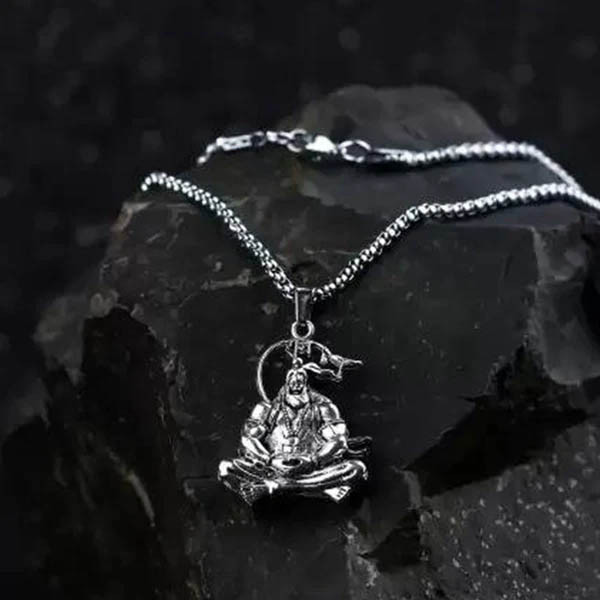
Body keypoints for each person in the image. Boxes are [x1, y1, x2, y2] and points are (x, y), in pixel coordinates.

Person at [219, 363, 368, 504]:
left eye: (300, 381)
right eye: (292, 380)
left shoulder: (323, 408)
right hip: (271, 468)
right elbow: (248, 439)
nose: (296, 385)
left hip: (311, 469)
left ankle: (275, 487)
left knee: (357, 469)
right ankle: (315, 488)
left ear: (306, 384)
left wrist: (314, 460)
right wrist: (269, 460)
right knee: (226, 468)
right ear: (286, 383)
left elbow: (338, 440)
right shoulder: (266, 409)